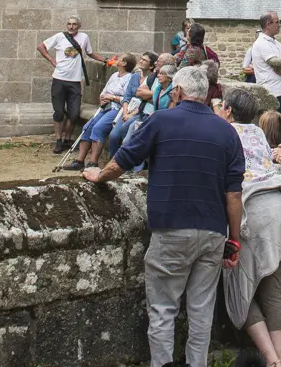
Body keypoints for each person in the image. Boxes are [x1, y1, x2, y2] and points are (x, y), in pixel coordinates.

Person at [84, 65, 243, 367]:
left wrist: (99, 175)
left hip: (171, 227)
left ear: (179, 92)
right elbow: (234, 195)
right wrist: (234, 239)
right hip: (212, 231)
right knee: (201, 309)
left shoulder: (162, 120)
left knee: (162, 309)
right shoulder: (226, 131)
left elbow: (124, 159)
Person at [219, 90, 281, 367]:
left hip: (254, 212)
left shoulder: (224, 132)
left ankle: (272, 360)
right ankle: (278, 359)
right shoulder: (258, 133)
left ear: (227, 110)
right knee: (273, 287)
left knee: (239, 288)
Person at [69, 53, 140, 170]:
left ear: (125, 64)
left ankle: (93, 162)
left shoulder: (129, 78)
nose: (117, 59)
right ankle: (79, 160)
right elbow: (104, 91)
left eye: (120, 59)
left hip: (116, 108)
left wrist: (112, 98)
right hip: (104, 106)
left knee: (99, 128)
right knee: (87, 127)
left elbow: (128, 98)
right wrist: (102, 98)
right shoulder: (114, 75)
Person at [39, 17, 96, 155]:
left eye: (74, 24)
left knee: (74, 113)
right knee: (58, 112)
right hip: (59, 79)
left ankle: (67, 139)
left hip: (75, 81)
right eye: (69, 24)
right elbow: (41, 46)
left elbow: (90, 53)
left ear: (79, 26)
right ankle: (58, 140)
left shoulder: (84, 37)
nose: (71, 27)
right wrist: (52, 60)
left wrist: (106, 60)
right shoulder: (59, 36)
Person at [243, 12, 281, 139]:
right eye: (277, 22)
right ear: (268, 24)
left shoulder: (275, 43)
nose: (280, 25)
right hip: (273, 93)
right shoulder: (261, 43)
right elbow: (279, 68)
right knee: (275, 130)